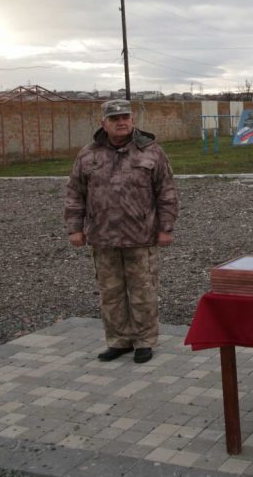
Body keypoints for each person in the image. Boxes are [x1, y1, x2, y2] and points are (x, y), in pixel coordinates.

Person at [65, 99, 178, 364]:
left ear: (133, 119)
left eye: (125, 117)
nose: (121, 122)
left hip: (141, 236)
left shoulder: (152, 152)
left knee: (143, 291)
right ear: (103, 123)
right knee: (111, 293)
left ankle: (144, 341)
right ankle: (119, 341)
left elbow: (167, 193)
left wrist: (166, 228)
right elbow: (74, 192)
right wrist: (74, 228)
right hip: (103, 237)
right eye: (115, 119)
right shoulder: (88, 154)